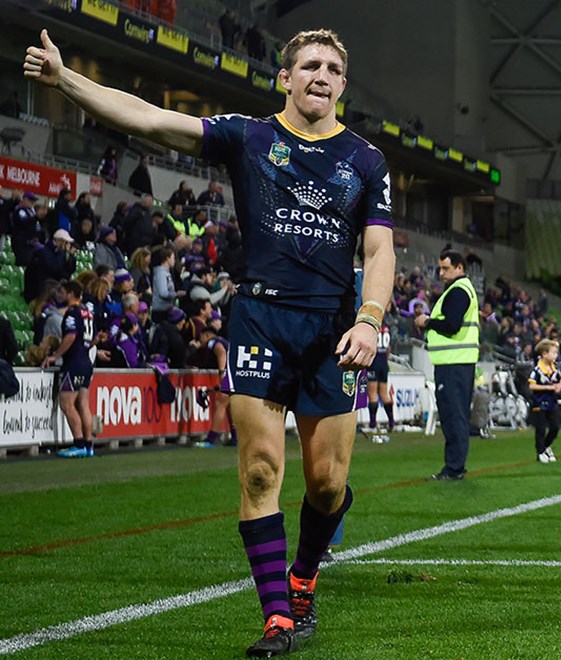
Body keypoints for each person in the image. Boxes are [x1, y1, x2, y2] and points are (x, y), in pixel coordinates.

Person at [25, 27, 394, 656]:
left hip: (333, 329)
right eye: (310, 65)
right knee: (260, 469)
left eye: (334, 68)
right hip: (259, 319)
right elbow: (150, 118)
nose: (322, 76)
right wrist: (66, 81)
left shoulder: (365, 160)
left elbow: (380, 249)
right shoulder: (249, 137)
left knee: (328, 483)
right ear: (285, 78)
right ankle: (278, 617)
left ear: (342, 85)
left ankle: (304, 576)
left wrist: (370, 317)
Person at [416, 250, 479, 481]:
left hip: (454, 363)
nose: (441, 273)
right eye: (440, 268)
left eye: (446, 268)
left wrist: (427, 322)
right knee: (455, 415)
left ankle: (454, 468)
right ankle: (455, 466)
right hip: (456, 362)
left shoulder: (458, 290)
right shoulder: (461, 289)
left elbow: (452, 326)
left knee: (454, 416)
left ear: (460, 268)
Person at [43, 280, 96, 458]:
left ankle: (78, 443)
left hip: (74, 364)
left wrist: (55, 355)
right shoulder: (88, 313)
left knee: (66, 404)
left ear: (71, 294)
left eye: (62, 292)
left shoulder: (72, 312)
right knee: (83, 404)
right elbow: (94, 338)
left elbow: (71, 336)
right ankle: (88, 445)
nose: (59, 295)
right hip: (86, 363)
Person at [528, 338, 561, 463]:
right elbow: (532, 385)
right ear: (544, 354)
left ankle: (546, 446)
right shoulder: (537, 370)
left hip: (552, 402)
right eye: (553, 353)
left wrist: (559, 387)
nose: (556, 355)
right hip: (540, 402)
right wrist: (547, 387)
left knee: (555, 427)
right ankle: (540, 451)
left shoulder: (554, 369)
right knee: (541, 428)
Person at [366, 301, 395, 437]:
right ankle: (391, 422)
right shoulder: (387, 327)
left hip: (374, 362)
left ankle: (372, 424)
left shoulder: (373, 326)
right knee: (384, 393)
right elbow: (389, 348)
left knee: (372, 394)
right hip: (384, 362)